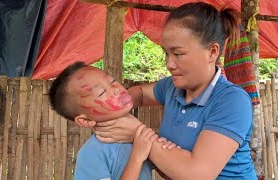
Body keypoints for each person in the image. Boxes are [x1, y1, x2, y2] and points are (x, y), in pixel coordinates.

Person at [94, 2, 258, 179]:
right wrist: (113, 111)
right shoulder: (171, 88)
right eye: (166, 53)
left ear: (212, 52)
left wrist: (137, 134)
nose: (169, 64)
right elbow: (140, 94)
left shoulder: (232, 101)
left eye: (178, 54)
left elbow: (197, 174)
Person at [49, 61, 176, 180]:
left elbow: (171, 174)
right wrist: (137, 158)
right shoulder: (91, 154)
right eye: (102, 92)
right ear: (86, 120)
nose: (116, 89)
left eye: (113, 81)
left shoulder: (136, 138)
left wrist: (159, 146)